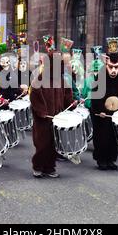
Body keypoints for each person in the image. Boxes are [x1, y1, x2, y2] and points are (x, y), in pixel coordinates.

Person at [30, 46, 77, 178]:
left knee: (53, 145)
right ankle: (38, 166)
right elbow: (34, 96)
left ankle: (50, 167)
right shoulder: (39, 79)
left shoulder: (61, 80)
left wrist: (71, 103)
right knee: (42, 144)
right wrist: (42, 111)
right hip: (43, 120)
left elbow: (67, 95)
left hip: (57, 117)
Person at [90, 37, 118, 170]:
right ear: (106, 64)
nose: (113, 71)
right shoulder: (100, 76)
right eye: (111, 67)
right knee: (102, 138)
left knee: (113, 139)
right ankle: (101, 160)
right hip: (102, 114)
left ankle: (111, 159)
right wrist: (99, 110)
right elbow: (95, 96)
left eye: (116, 67)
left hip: (115, 114)